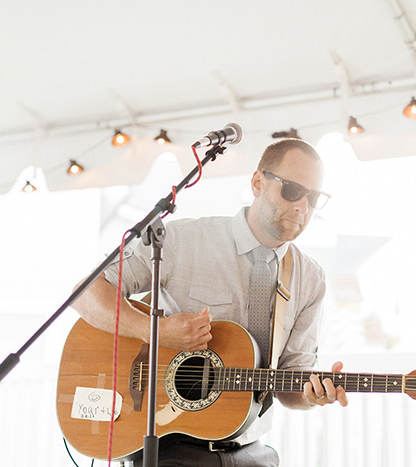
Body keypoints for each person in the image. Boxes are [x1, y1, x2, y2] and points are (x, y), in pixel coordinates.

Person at [72, 138, 348, 466]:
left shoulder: (310, 279)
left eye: (314, 197)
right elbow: (86, 292)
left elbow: (290, 384)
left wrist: (312, 394)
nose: (303, 206)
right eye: (291, 190)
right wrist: (156, 331)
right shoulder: (179, 241)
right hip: (170, 444)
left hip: (252, 450)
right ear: (258, 183)